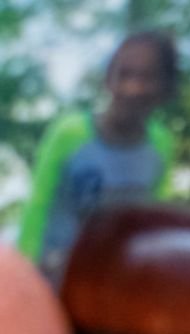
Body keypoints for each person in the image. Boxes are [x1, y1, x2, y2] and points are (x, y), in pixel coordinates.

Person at [17, 31, 179, 280]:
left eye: (147, 77)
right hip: (52, 277)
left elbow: (155, 218)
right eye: (124, 74)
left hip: (112, 282)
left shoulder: (160, 144)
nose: (133, 87)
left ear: (165, 87)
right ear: (108, 80)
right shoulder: (70, 133)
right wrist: (24, 274)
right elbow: (38, 205)